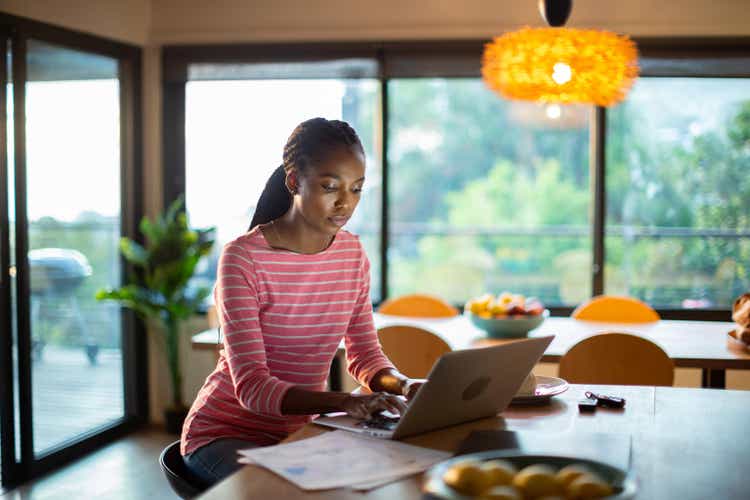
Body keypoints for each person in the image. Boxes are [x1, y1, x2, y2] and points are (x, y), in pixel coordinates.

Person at [181, 117, 424, 486]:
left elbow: (366, 357)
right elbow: (252, 388)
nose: (345, 203)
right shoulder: (243, 258)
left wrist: (403, 385)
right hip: (225, 436)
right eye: (330, 187)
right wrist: (344, 402)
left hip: (300, 434)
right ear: (294, 181)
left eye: (356, 189)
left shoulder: (352, 254)